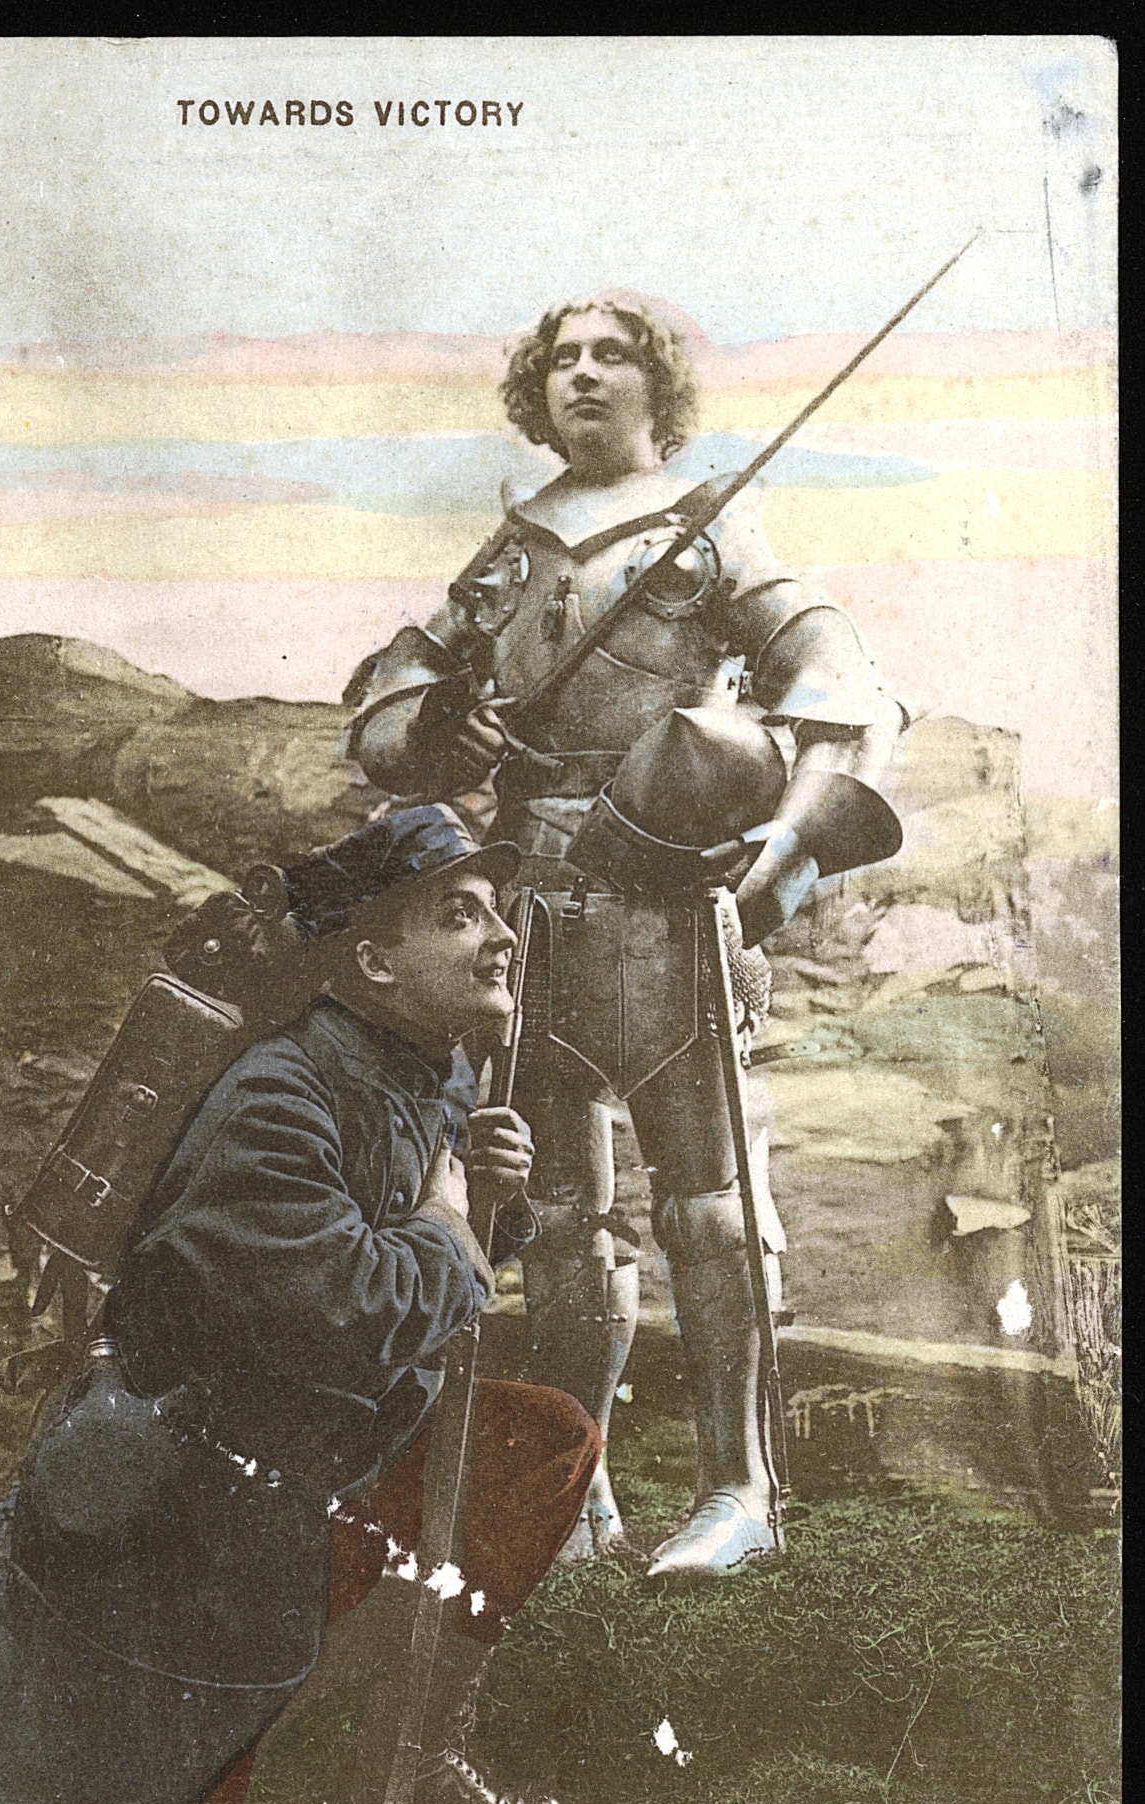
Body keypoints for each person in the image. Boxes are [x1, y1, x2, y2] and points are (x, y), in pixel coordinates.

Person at [0, 806, 600, 1804]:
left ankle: (414, 1749)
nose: (503, 938)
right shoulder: (276, 1096)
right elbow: (345, 1309)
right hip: (178, 1518)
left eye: (500, 913)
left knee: (541, 1438)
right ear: (372, 961)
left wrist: (490, 1199)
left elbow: (408, 1238)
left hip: (316, 1469)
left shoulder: (425, 1073)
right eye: (459, 914)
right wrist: (449, 1227)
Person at [342, 293, 906, 1575]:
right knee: (557, 1213)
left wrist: (783, 841)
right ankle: (580, 1483)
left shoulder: (711, 529)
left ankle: (740, 1491)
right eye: (561, 360)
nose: (582, 377)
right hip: (522, 912)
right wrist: (445, 726)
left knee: (710, 1209)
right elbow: (385, 713)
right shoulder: (512, 546)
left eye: (612, 357)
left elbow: (839, 679)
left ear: (661, 388)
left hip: (662, 905)